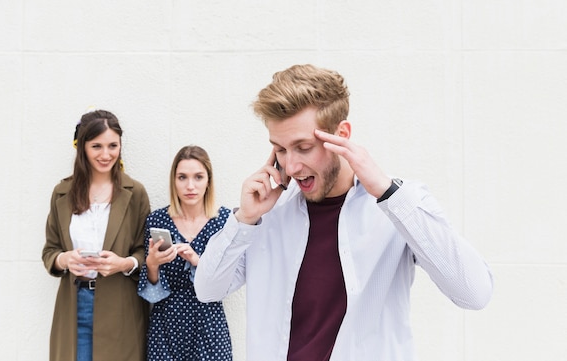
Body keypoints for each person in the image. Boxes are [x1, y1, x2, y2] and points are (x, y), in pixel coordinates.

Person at [194, 64, 494, 361]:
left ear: (342, 134)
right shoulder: (267, 213)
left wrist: (389, 194)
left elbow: (474, 292)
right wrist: (244, 220)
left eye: (304, 147)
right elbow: (208, 289)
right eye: (281, 150)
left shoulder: (399, 205)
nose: (291, 166)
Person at [42, 109, 151, 361]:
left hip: (120, 308)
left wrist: (123, 263)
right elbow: (50, 250)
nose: (106, 154)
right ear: (82, 148)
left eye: (113, 145)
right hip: (73, 305)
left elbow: (146, 252)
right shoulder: (62, 193)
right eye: (96, 146)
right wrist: (65, 259)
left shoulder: (134, 193)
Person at [138, 145, 233, 361]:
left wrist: (198, 261)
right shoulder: (157, 220)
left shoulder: (224, 222)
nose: (190, 186)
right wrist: (152, 264)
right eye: (182, 177)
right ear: (174, 181)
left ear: (209, 180)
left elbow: (229, 280)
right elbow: (152, 291)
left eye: (198, 177)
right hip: (166, 327)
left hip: (209, 325)